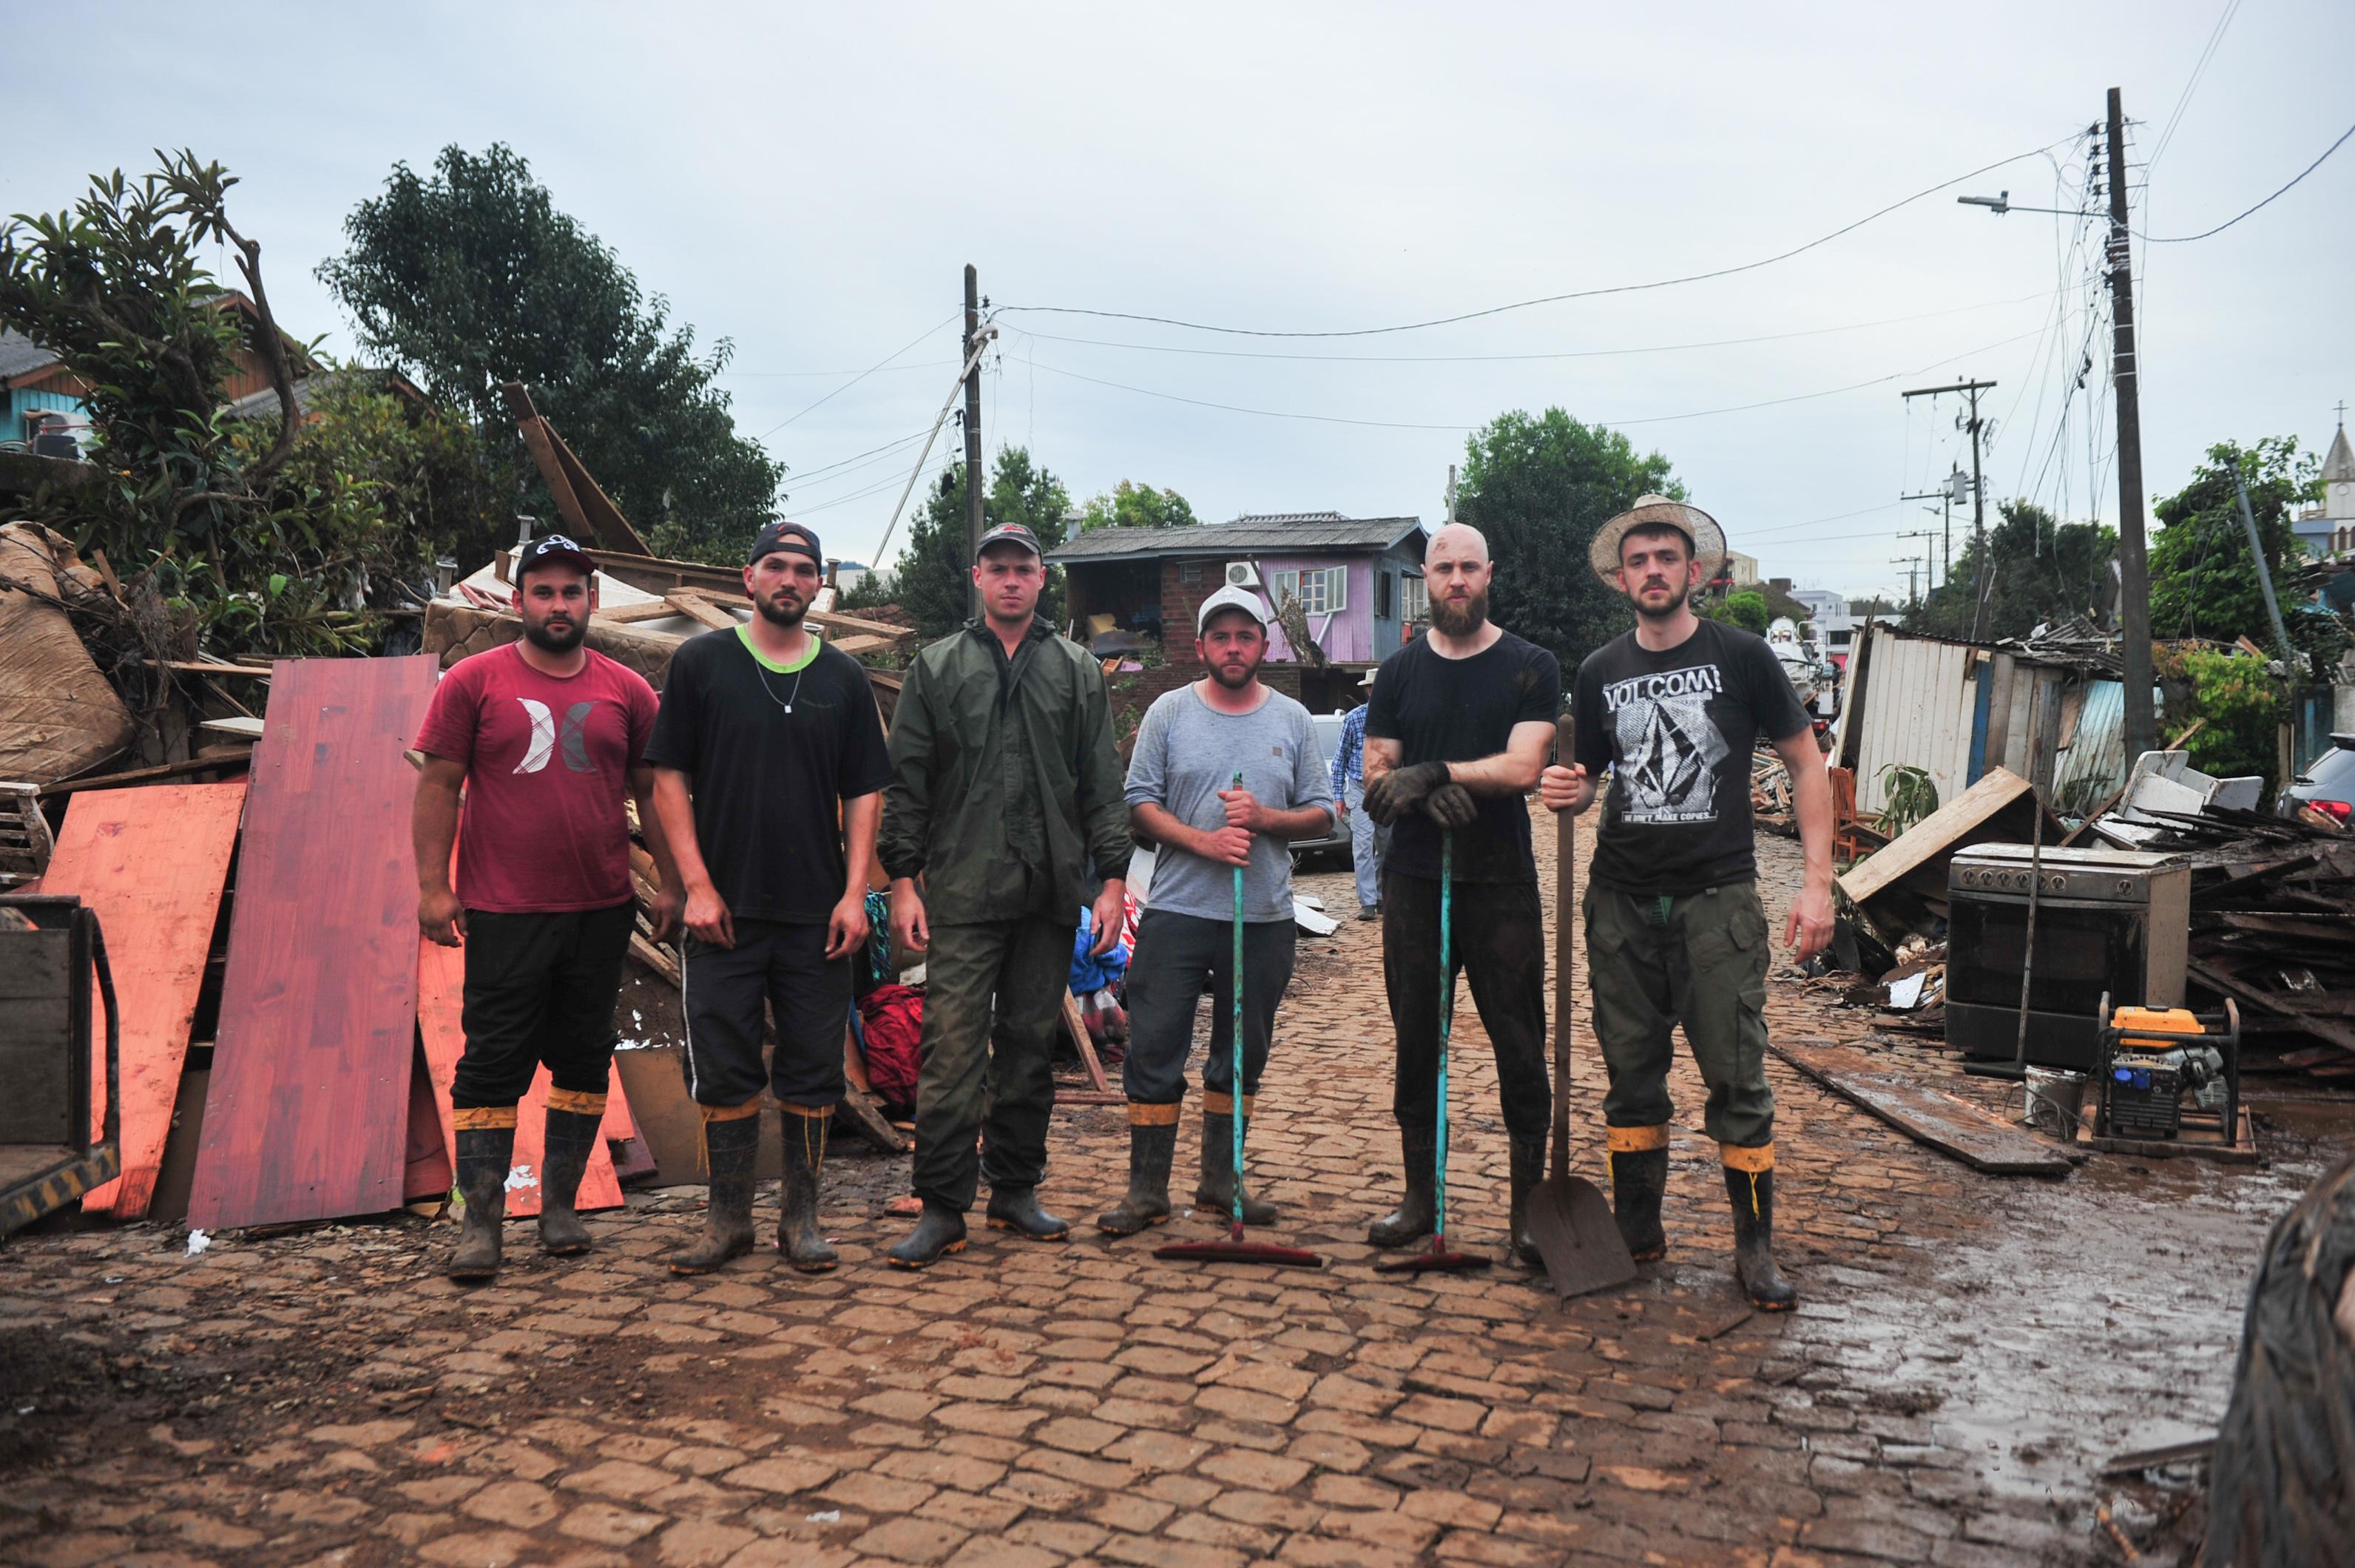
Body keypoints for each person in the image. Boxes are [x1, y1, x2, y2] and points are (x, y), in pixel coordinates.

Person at [1539, 495, 1834, 1311]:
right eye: (1638, 560)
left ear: (1694, 571)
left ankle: (1753, 1248)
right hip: (1621, 903)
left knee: (1737, 1078)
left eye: (1667, 557)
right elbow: (1591, 777)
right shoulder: (1599, 670)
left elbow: (1808, 766)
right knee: (1632, 1081)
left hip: (1717, 902)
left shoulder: (1742, 657)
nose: (1653, 570)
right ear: (1620, 577)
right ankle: (1637, 1231)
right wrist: (1567, 785)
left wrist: (1817, 884)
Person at [412, 533, 680, 1282]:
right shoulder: (472, 680)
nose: (558, 604)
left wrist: (674, 883)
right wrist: (434, 887)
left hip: (600, 907)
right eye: (544, 591)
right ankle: (482, 1222)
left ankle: (560, 1207)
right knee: (492, 1063)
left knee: (583, 1054)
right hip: (503, 908)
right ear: (520, 599)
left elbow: (652, 793)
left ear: (591, 600)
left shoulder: (629, 689)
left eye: (572, 591)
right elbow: (437, 785)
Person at [879, 521, 1132, 1268]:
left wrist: (1112, 879)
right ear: (977, 576)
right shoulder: (937, 667)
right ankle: (943, 1205)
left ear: (1041, 578)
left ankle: (1015, 1189)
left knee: (1027, 1049)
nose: (1012, 579)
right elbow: (908, 785)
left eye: (1024, 568)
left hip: (1050, 891)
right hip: (960, 891)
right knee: (951, 1050)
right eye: (999, 568)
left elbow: (1101, 784)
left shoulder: (1078, 670)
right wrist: (902, 879)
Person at [644, 521, 891, 1275]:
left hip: (818, 915)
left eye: (804, 569)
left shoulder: (842, 680)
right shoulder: (701, 663)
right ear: (746, 578)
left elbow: (864, 794)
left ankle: (801, 1218)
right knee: (723, 1062)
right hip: (724, 912)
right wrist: (695, 885)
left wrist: (855, 895)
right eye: (775, 566)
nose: (789, 578)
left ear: (820, 586)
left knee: (814, 1065)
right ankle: (727, 1220)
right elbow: (666, 780)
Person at [1098, 587, 1335, 1236]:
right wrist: (1203, 840)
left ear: (1265, 644)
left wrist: (1265, 819)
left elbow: (1325, 811)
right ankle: (1146, 1192)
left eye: (1246, 636)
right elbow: (1138, 801)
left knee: (1241, 1054)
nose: (1234, 647)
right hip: (1178, 911)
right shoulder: (1168, 713)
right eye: (1221, 637)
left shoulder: (1290, 718)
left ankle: (1219, 1184)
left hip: (1261, 916)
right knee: (1152, 1047)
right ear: (1201, 646)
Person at [1359, 522, 1560, 1265]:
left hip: (1499, 884)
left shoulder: (1529, 664)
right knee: (1417, 1042)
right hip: (1415, 885)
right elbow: (1378, 778)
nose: (1456, 579)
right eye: (1442, 567)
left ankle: (1527, 1214)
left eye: (1468, 567)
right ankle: (1419, 1198)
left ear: (1489, 573)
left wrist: (1437, 773)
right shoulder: (1399, 672)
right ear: (1426, 575)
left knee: (1520, 1045)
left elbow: (1519, 767)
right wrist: (1410, 794)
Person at [1330, 669, 1388, 919]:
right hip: (1359, 786)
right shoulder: (1353, 719)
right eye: (1373, 687)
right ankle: (1367, 901)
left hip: (1387, 788)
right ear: (1368, 691)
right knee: (1363, 844)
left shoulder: (1396, 718)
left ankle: (1382, 895)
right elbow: (1339, 759)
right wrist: (1338, 796)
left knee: (1387, 846)